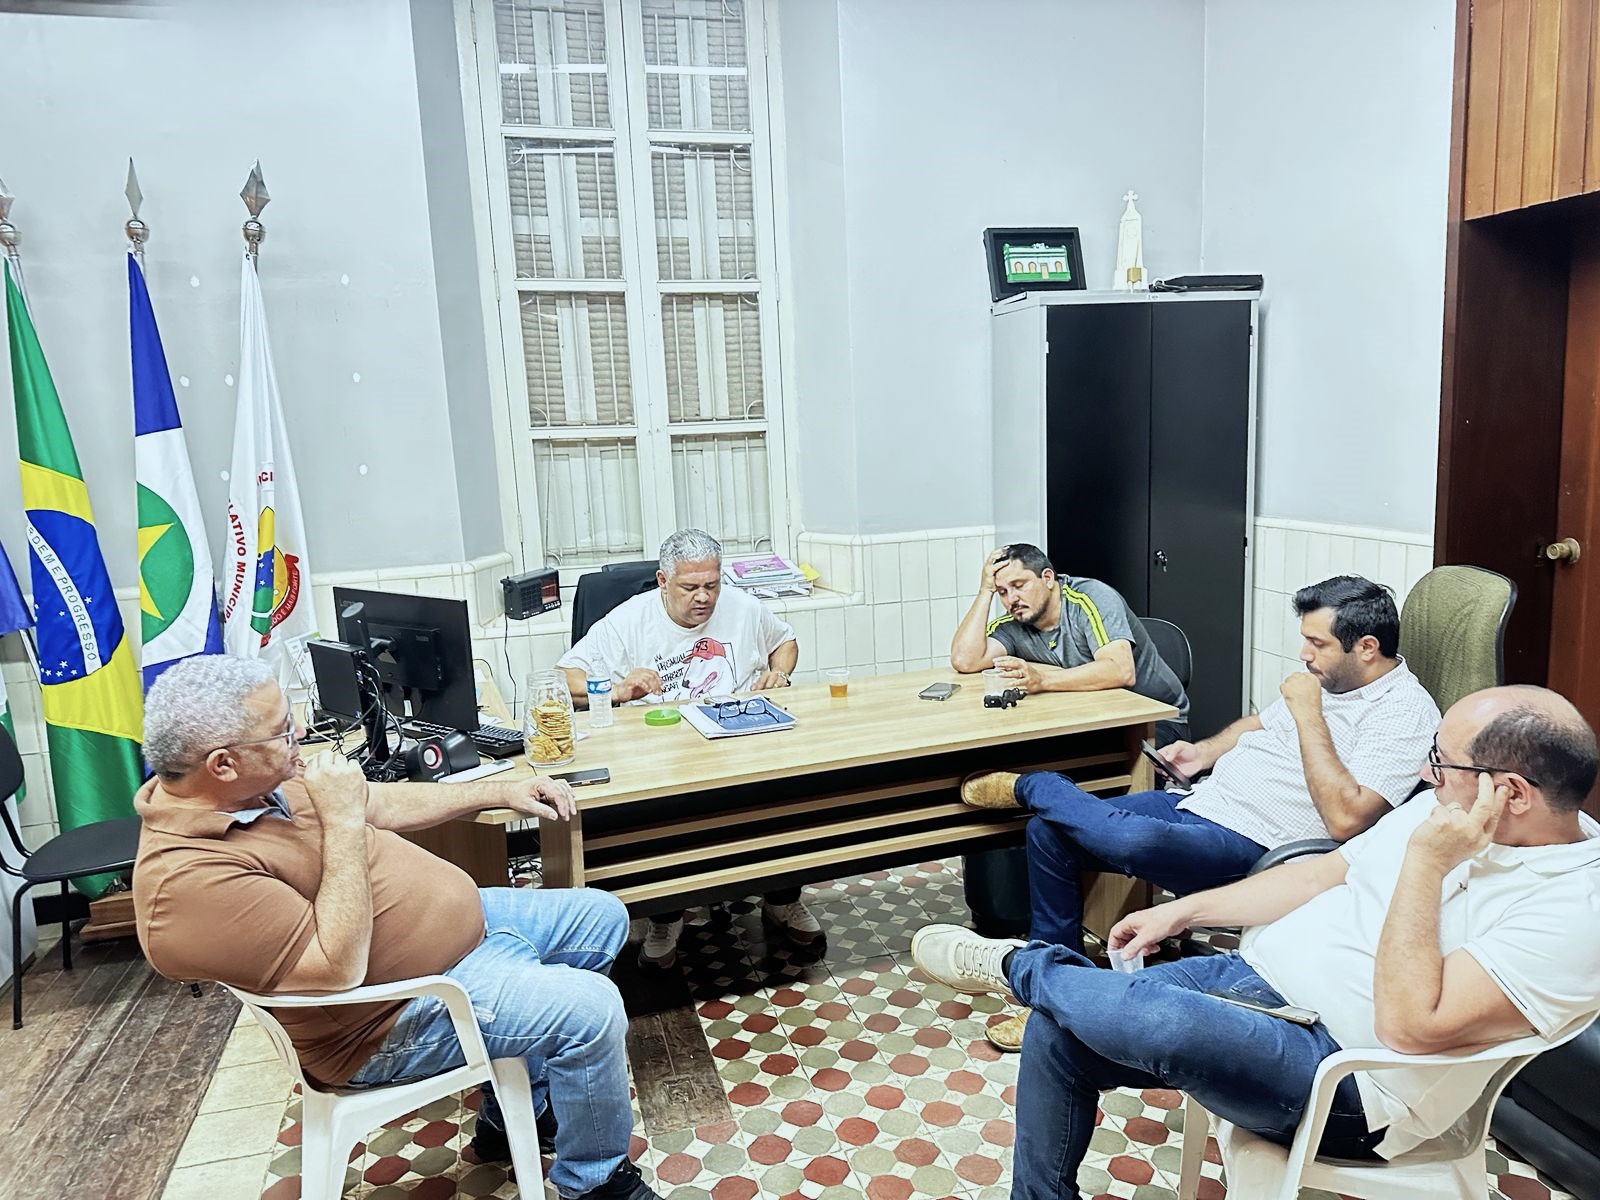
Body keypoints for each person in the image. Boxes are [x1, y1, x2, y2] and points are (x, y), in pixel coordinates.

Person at [913, 685, 1600, 1200]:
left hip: (1348, 1081)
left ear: (1510, 793)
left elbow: (1409, 1027)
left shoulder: (1574, 908)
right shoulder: (1447, 809)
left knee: (1162, 1021)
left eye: (1442, 764)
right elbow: (1321, 873)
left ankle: (1020, 965)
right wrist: (1181, 914)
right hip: (1259, 982)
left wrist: (1425, 865)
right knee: (1060, 1029)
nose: (1427, 776)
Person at [132, 655, 663, 1200]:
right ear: (222, 764)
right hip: (385, 1022)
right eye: (283, 730)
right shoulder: (186, 885)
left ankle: (513, 1110)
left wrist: (498, 791)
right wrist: (341, 819)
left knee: (601, 918)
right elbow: (337, 969)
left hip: (461, 942)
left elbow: (379, 803)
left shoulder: (253, 785)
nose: (301, 736)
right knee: (591, 1010)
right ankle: (595, 1184)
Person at [965, 575, 1438, 1051]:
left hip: (1259, 841)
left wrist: (1309, 713)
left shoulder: (1404, 711)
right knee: (1049, 831)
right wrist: (1202, 753)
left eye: (1317, 643)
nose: (1304, 654)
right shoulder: (1329, 680)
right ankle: (1050, 992)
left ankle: (1033, 784)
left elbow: (1347, 820)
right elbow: (1260, 724)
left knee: (1130, 840)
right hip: (1203, 801)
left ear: (1367, 648)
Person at [557, 528, 816, 968]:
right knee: (665, 818)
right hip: (662, 752)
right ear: (663, 581)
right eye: (690, 587)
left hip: (740, 740)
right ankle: (665, 916)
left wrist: (780, 674)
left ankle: (782, 900)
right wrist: (616, 689)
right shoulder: (629, 620)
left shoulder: (743, 607)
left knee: (788, 793)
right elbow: (564, 679)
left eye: (712, 585)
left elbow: (785, 642)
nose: (704, 598)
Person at [949, 543, 1190, 745]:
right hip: (1093, 719)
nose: (1012, 599)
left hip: (1155, 720)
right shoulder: (1015, 621)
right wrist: (985, 591)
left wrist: (1042, 680)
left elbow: (1121, 670)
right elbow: (965, 660)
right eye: (1002, 592)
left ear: (1047, 578)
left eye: (1019, 586)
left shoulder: (1091, 598)